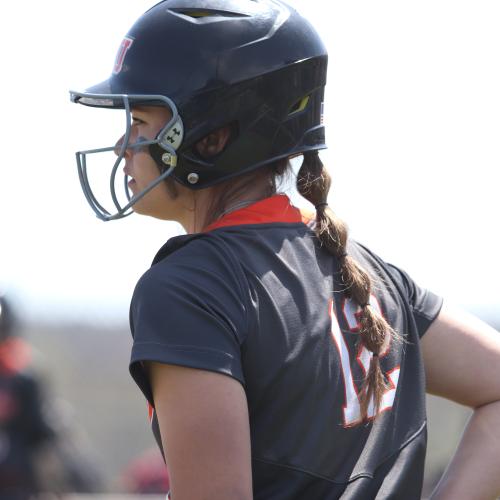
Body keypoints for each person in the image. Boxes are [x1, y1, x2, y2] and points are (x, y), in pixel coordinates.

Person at [70, 1, 500, 498]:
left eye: (142, 122)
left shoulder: (190, 287)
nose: (125, 145)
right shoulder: (366, 270)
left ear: (212, 138)